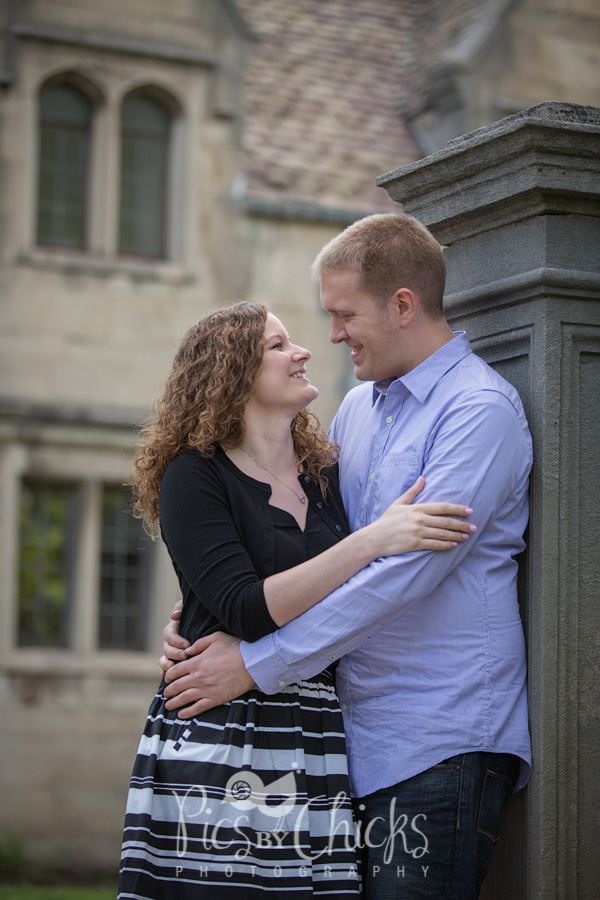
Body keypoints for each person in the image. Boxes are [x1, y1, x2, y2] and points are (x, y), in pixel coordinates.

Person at [160, 213, 533, 899]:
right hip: (341, 742)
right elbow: (313, 554)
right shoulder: (357, 412)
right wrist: (207, 615)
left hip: (439, 739)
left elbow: (402, 579)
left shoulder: (479, 411)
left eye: (342, 315)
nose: (330, 336)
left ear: (402, 305)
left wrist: (251, 664)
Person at [117, 300, 473, 899]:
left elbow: (345, 598)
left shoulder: (324, 474)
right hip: (222, 724)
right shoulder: (193, 474)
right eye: (278, 345)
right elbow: (245, 608)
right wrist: (372, 540)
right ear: (232, 372)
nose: (303, 351)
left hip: (316, 731)